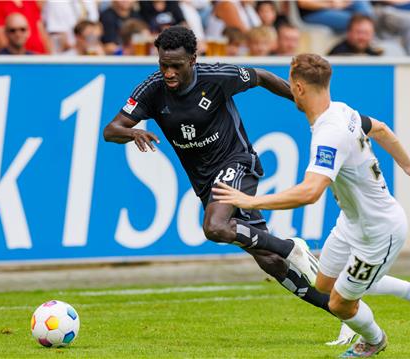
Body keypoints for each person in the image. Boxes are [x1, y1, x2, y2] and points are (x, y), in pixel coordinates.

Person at [103, 25, 350, 343]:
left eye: (176, 65)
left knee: (215, 227)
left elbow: (261, 76)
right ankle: (345, 314)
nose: (168, 72)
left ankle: (292, 247)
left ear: (193, 59)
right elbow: (111, 129)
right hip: (206, 183)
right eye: (163, 64)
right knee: (271, 263)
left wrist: (310, 107)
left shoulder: (217, 77)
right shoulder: (152, 89)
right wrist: (132, 132)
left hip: (237, 164)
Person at [212, 53, 410, 357]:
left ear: (299, 88)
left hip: (379, 231)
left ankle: (374, 340)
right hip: (352, 224)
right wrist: (408, 163)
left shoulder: (328, 133)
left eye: (291, 84)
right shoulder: (342, 111)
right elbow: (381, 128)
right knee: (323, 284)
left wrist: (251, 201)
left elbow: (310, 192)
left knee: (340, 303)